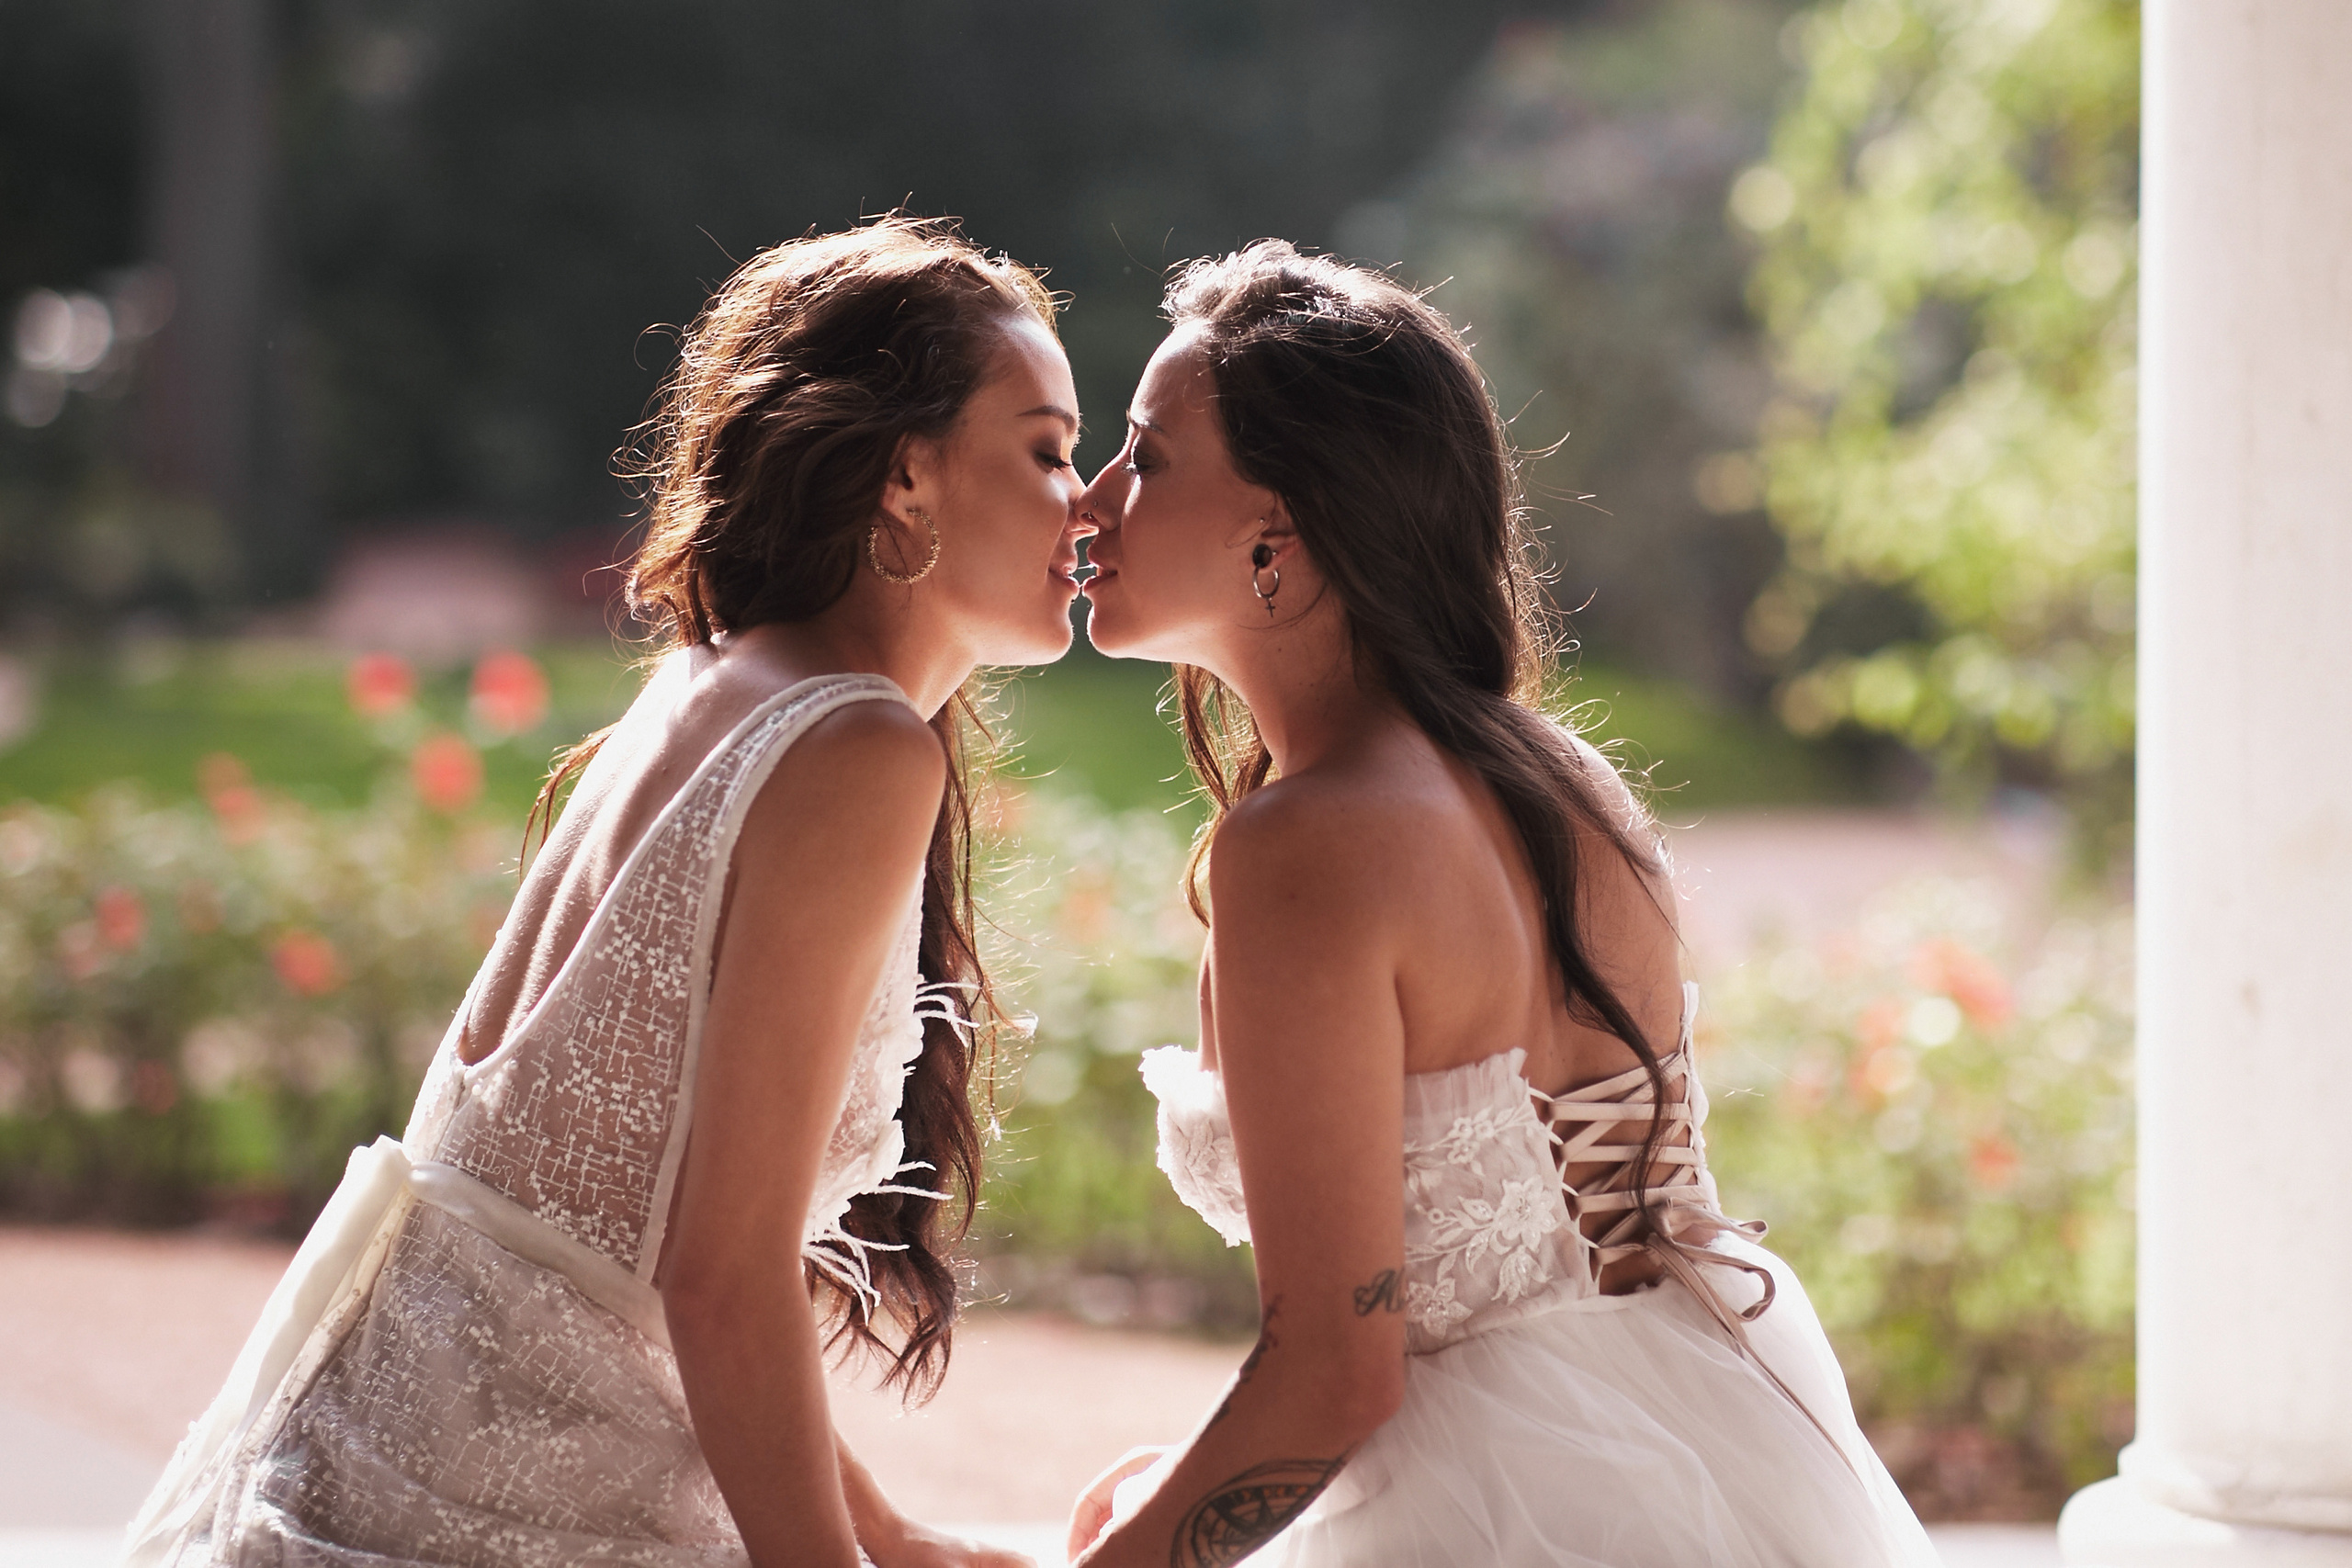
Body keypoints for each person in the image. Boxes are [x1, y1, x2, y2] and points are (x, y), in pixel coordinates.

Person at [123, 217, 1090, 1568]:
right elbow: (717, 1280)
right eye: (1047, 450)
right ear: (906, 474)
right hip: (495, 1506)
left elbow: (616, 1263)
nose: (1085, 502)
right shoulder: (856, 747)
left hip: (393, 1443)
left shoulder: (713, 683)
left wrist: (895, 1538)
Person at [1063, 241, 1941, 1567]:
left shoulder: (1307, 845)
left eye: (1146, 455)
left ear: (1276, 532)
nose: (1092, 499)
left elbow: (1337, 1375)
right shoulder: (1566, 783)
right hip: (1718, 1443)